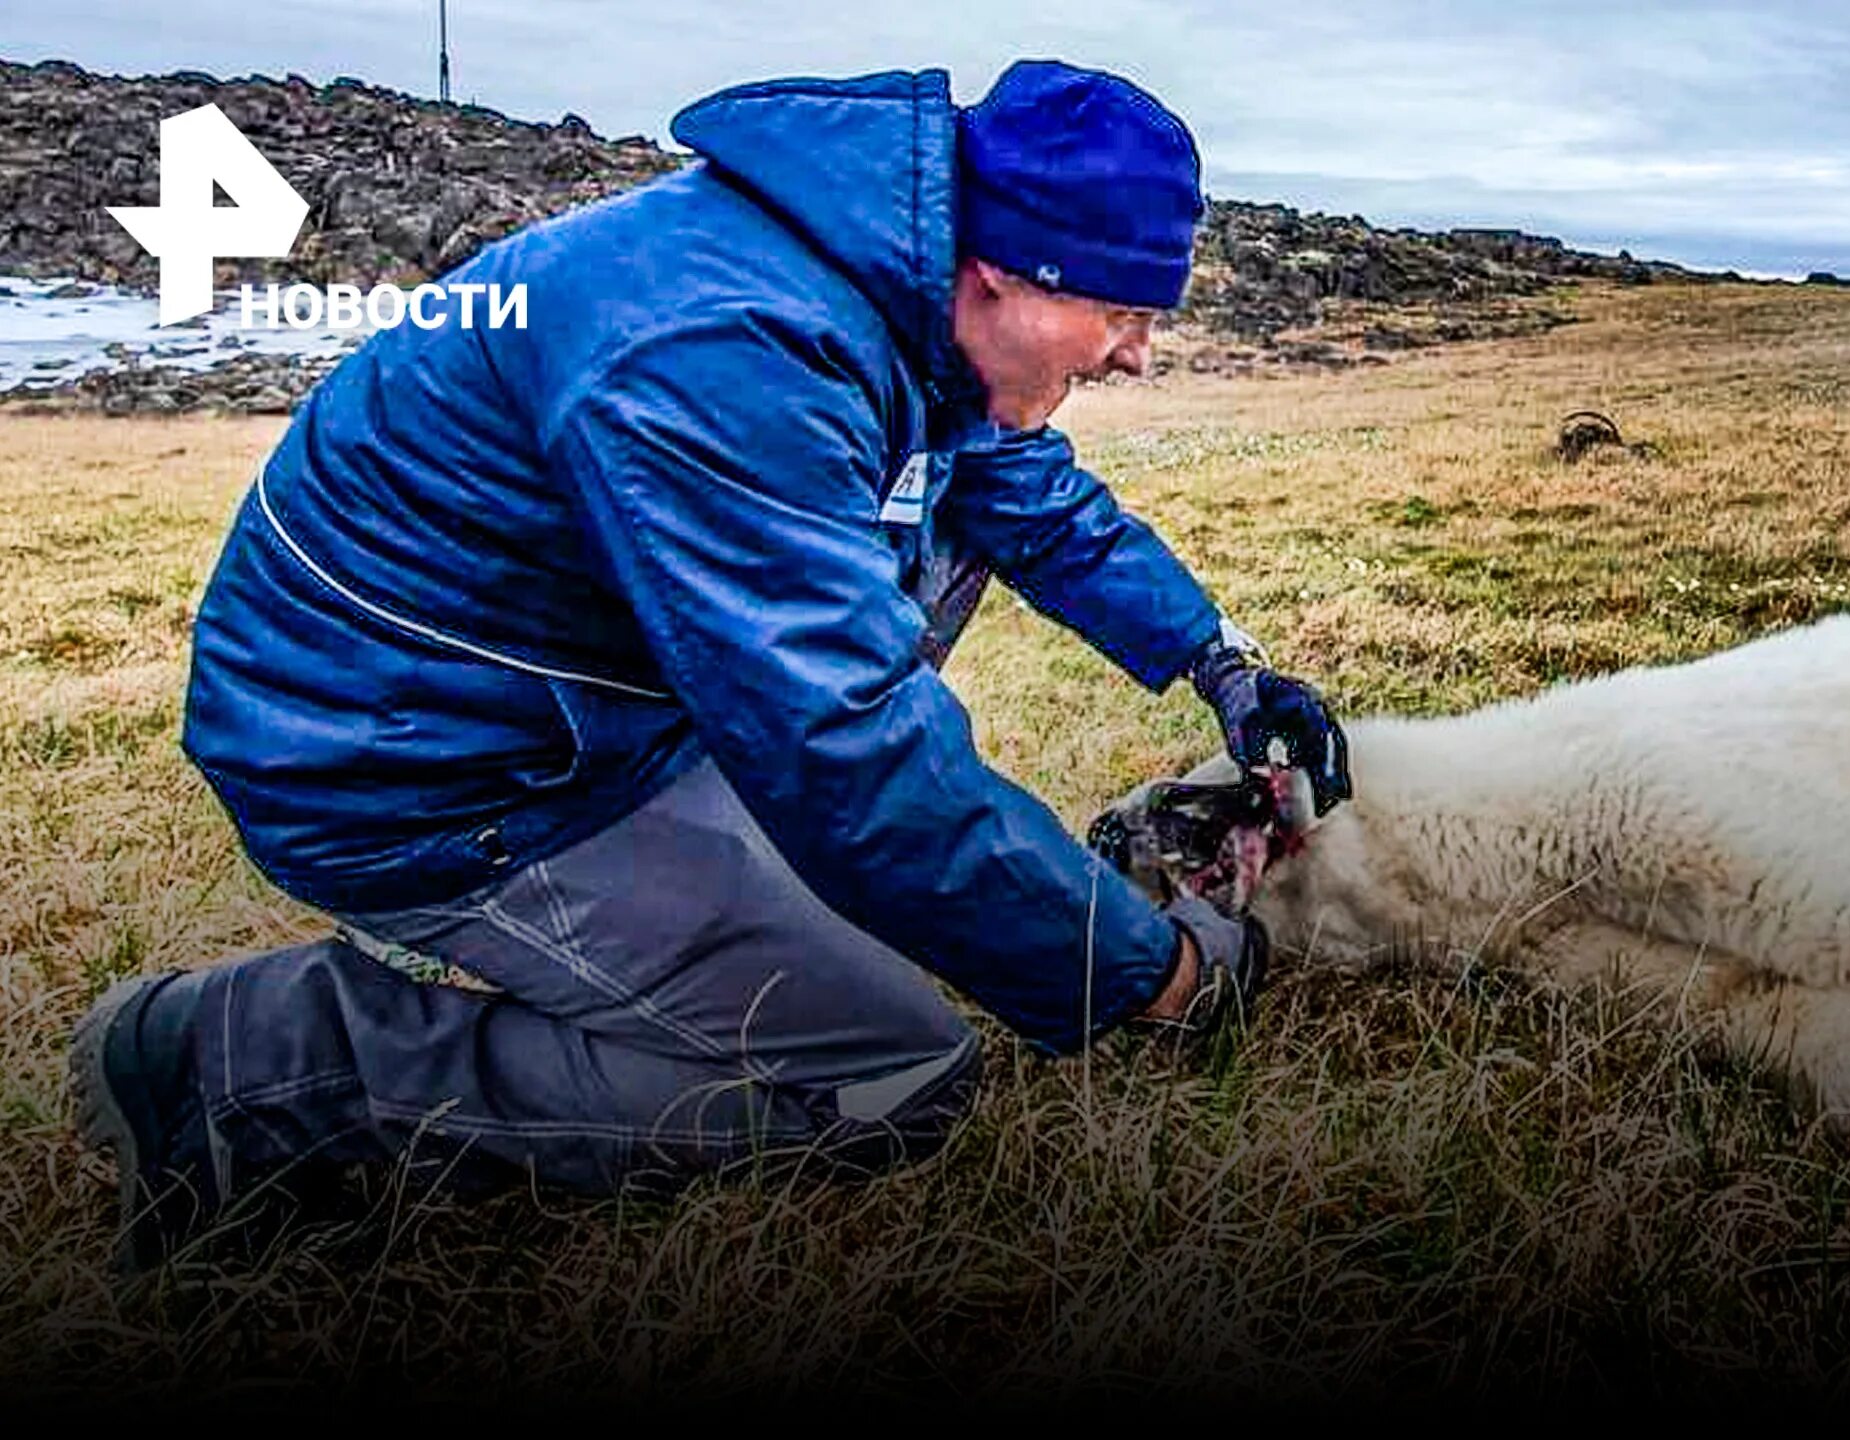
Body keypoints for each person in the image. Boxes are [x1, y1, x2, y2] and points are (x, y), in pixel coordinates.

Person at [67, 58, 1353, 1272]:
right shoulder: (727, 353)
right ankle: (248, 1067)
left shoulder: (889, 302)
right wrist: (1151, 974)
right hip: (418, 767)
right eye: (1122, 308)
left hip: (566, 707)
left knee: (885, 893)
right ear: (1004, 270)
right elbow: (847, 753)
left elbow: (1023, 498)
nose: (1135, 352)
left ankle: (741, 889)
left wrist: (1225, 666)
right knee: (887, 1068)